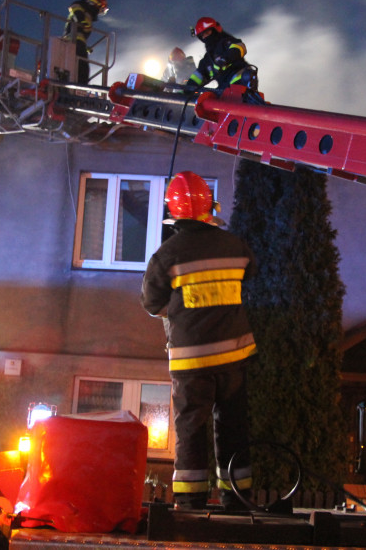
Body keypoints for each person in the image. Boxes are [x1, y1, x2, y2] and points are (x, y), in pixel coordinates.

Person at [141, 171, 257, 510]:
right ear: (211, 207)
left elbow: (150, 303)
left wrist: (178, 312)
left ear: (174, 213)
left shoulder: (168, 254)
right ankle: (237, 497)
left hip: (191, 363)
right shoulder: (236, 246)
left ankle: (191, 501)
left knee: (191, 427)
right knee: (233, 426)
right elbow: (249, 272)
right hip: (234, 357)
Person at [185, 17, 262, 103]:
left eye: (207, 32)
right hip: (224, 90)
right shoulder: (207, 60)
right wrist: (185, 90)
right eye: (202, 35)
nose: (205, 36)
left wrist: (226, 58)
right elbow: (198, 76)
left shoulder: (226, 42)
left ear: (215, 30)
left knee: (234, 97)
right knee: (211, 98)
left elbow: (240, 47)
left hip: (241, 82)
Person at [64, 0, 108, 84]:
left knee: (80, 68)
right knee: (82, 68)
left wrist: (85, 47)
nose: (100, 11)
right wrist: (82, 22)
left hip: (76, 42)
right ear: (96, 3)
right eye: (101, 8)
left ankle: (79, 87)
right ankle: (81, 87)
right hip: (74, 42)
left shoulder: (87, 13)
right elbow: (76, 12)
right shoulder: (80, 6)